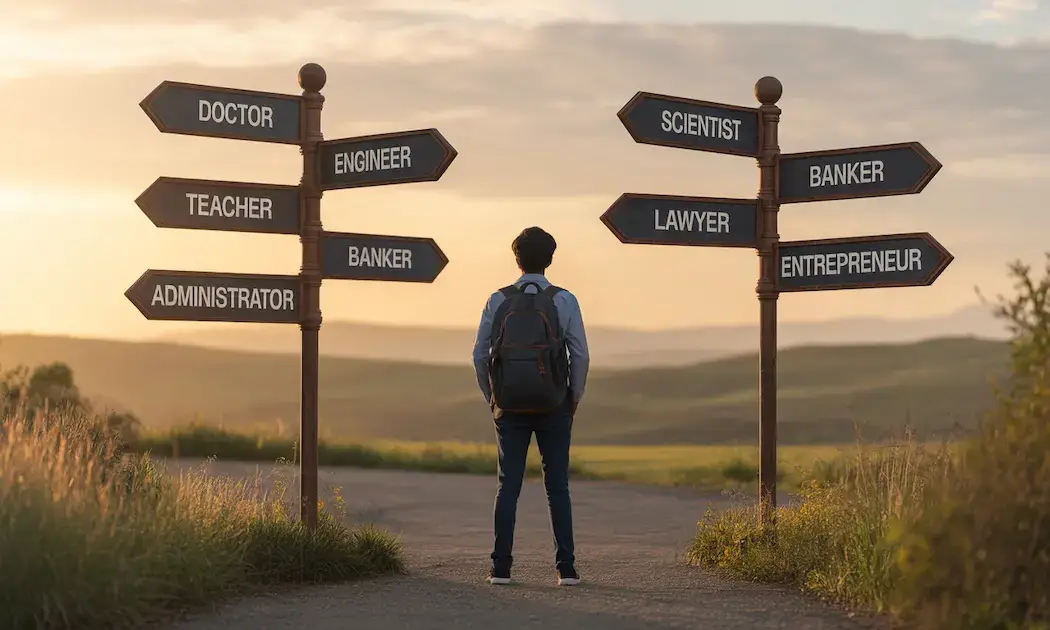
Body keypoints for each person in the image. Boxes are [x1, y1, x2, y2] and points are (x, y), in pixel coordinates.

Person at [471, 226, 590, 587]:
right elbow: (580, 354)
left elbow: (479, 355)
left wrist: (493, 397)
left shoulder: (498, 300)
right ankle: (566, 568)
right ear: (550, 258)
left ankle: (501, 567)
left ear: (517, 259)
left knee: (508, 485)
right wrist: (573, 397)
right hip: (554, 402)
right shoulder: (564, 300)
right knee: (557, 486)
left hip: (508, 405)